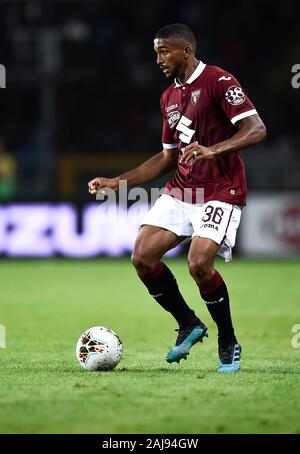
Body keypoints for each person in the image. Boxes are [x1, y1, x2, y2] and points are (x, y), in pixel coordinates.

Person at [88, 23, 266, 372]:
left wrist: (213, 150)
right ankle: (189, 323)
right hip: (183, 189)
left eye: (164, 51)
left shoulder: (219, 81)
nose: (159, 59)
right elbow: (167, 159)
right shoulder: (168, 97)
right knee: (142, 256)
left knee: (199, 263)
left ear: (186, 51)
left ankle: (227, 339)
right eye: (156, 52)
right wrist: (117, 182)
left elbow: (257, 129)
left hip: (221, 189)